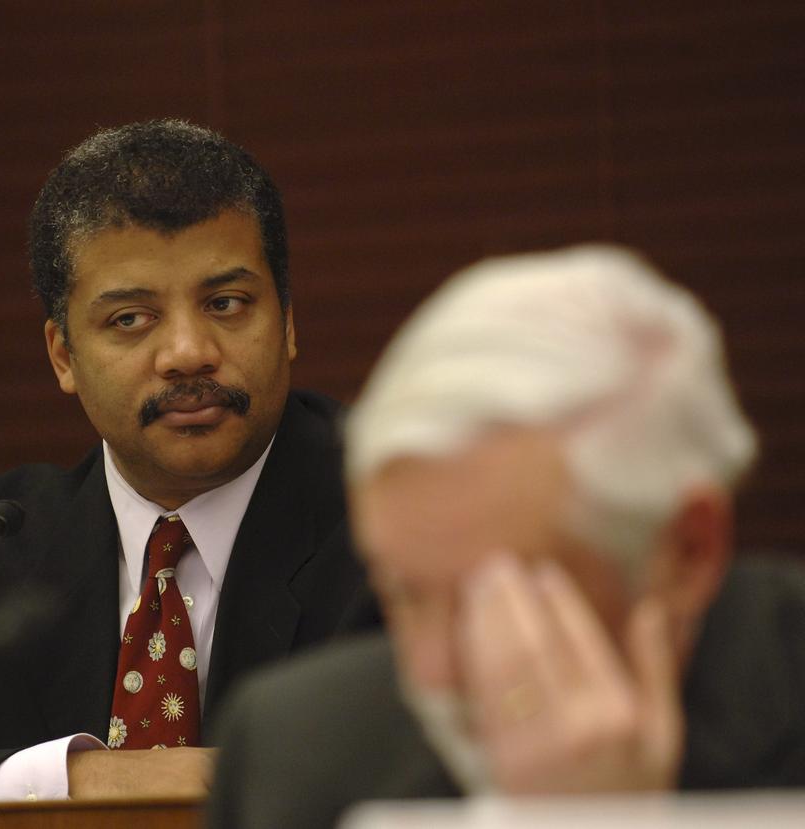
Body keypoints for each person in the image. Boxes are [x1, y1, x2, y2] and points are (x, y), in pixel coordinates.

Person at [0, 119, 377, 801]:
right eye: (131, 318)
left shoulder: (399, 527)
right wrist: (65, 778)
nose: (188, 351)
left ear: (287, 324)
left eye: (226, 303)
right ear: (63, 355)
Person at [209, 245, 805, 829]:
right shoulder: (290, 751)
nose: (433, 675)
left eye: (492, 595)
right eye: (405, 595)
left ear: (687, 552)